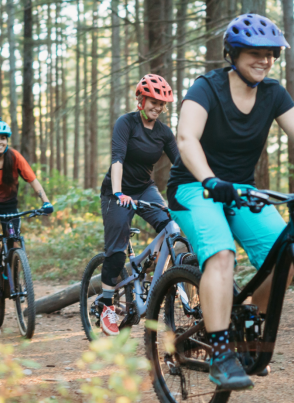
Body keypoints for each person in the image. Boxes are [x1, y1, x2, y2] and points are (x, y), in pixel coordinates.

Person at [167, 14, 294, 391]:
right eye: (255, 54)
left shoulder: (273, 93)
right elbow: (186, 139)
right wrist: (209, 178)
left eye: (271, 54)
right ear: (234, 54)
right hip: (195, 187)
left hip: (241, 190)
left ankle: (249, 330)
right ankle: (221, 351)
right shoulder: (207, 88)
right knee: (221, 255)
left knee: (284, 259)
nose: (264, 60)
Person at [99, 74, 179, 336]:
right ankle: (106, 304)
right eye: (152, 101)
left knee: (172, 227)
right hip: (117, 192)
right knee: (117, 249)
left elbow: (180, 164)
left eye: (161, 104)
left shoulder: (164, 133)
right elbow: (118, 159)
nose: (156, 107)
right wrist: (120, 191)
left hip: (145, 189)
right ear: (141, 100)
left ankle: (154, 273)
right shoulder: (127, 123)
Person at [0, 118, 53, 293]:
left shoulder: (14, 157)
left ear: (7, 139)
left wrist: (45, 201)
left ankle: (14, 280)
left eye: (2, 138)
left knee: (15, 242)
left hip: (9, 205)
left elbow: (33, 180)